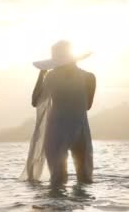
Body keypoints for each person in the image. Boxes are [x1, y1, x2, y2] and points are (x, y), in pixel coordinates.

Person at [20, 40, 96, 186]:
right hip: (79, 128)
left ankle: (57, 207)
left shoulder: (50, 77)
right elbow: (87, 106)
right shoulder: (89, 77)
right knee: (85, 180)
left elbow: (35, 102)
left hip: (55, 130)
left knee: (58, 180)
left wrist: (42, 74)